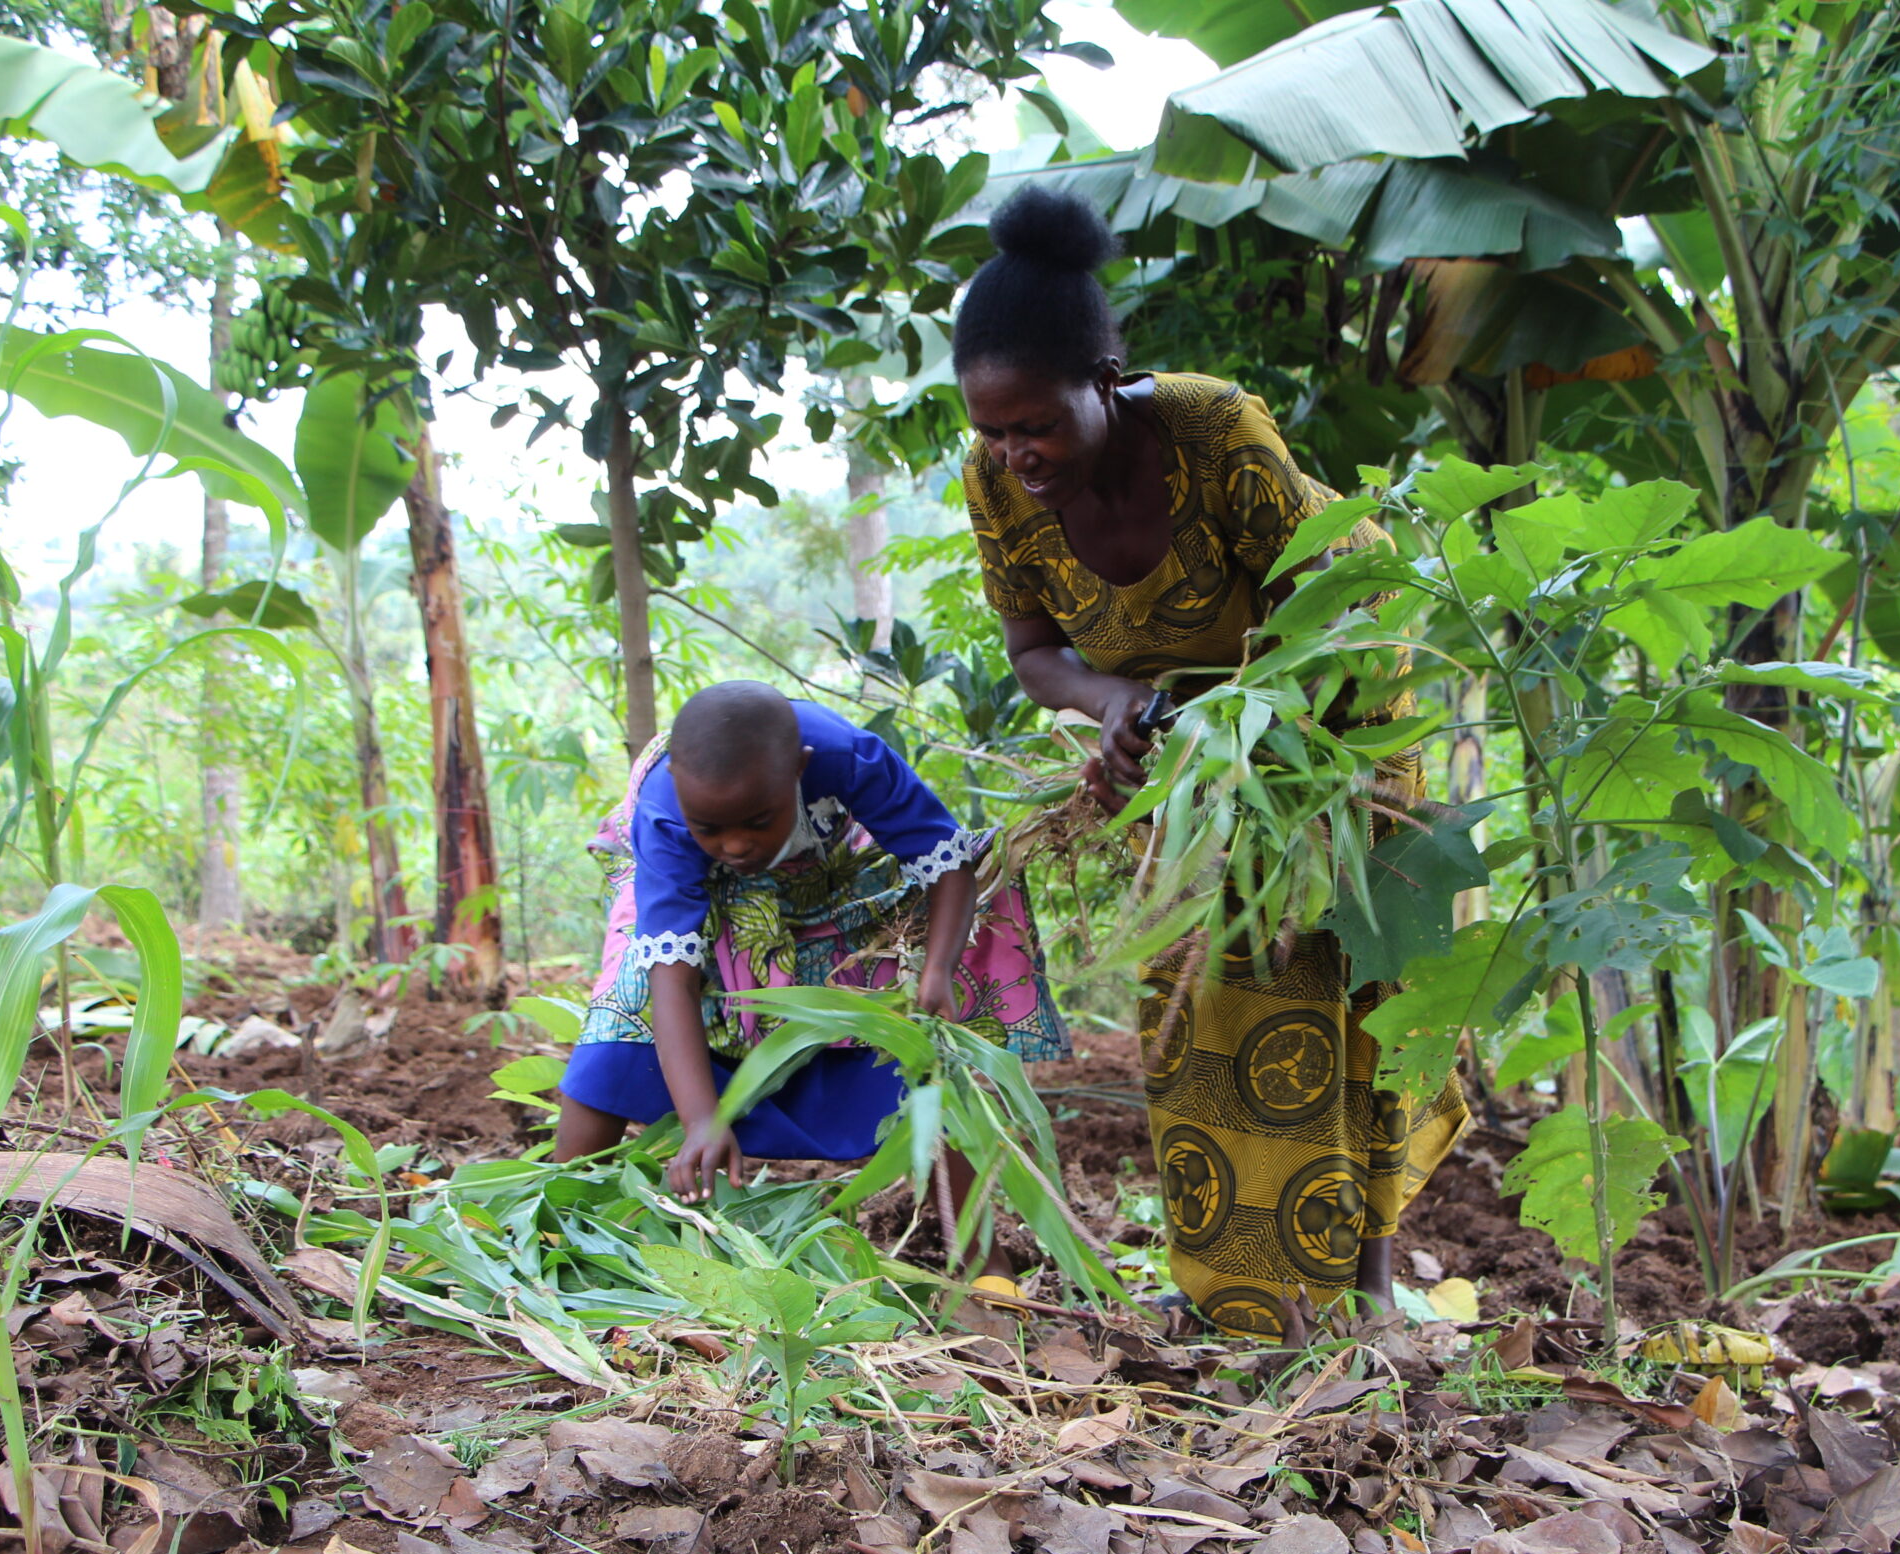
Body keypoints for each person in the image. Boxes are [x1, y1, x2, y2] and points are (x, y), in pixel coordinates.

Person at [953, 185, 1470, 1342]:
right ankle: (1234, 1295)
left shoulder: (1211, 428)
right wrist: (1116, 707)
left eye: (1035, 425)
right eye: (994, 431)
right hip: (1183, 743)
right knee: (1192, 999)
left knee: (1339, 980)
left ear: (1103, 380)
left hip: (1330, 704)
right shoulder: (994, 483)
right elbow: (1035, 653)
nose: (1015, 454)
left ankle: (1364, 1292)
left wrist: (1201, 724)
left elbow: (1318, 613)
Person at [554, 681, 1069, 1280]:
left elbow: (947, 861)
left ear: (799, 769)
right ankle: (558, 1225)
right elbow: (670, 975)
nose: (736, 845)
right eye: (712, 828)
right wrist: (702, 1119)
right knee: (625, 1011)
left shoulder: (848, 755)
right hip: (683, 897)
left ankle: (985, 1267)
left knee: (916, 1054)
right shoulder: (666, 813)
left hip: (824, 877)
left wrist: (936, 972)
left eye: (757, 821)